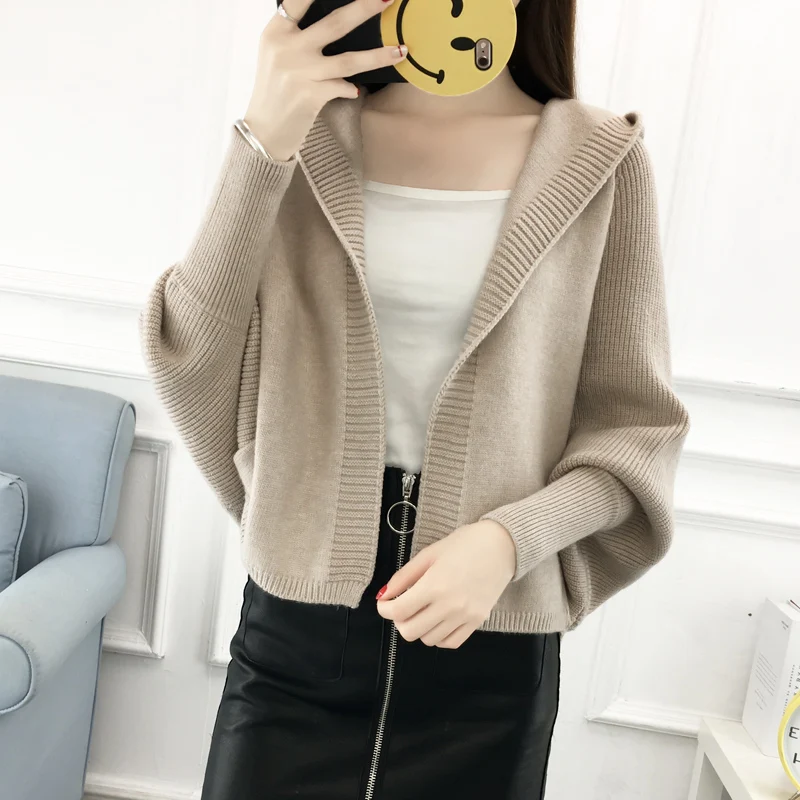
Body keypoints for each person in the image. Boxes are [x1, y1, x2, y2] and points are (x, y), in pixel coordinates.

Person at [138, 0, 691, 797]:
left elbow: (637, 432)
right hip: (293, 647)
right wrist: (263, 137)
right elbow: (189, 353)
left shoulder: (600, 160)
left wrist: (507, 542)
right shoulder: (303, 141)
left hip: (489, 656)